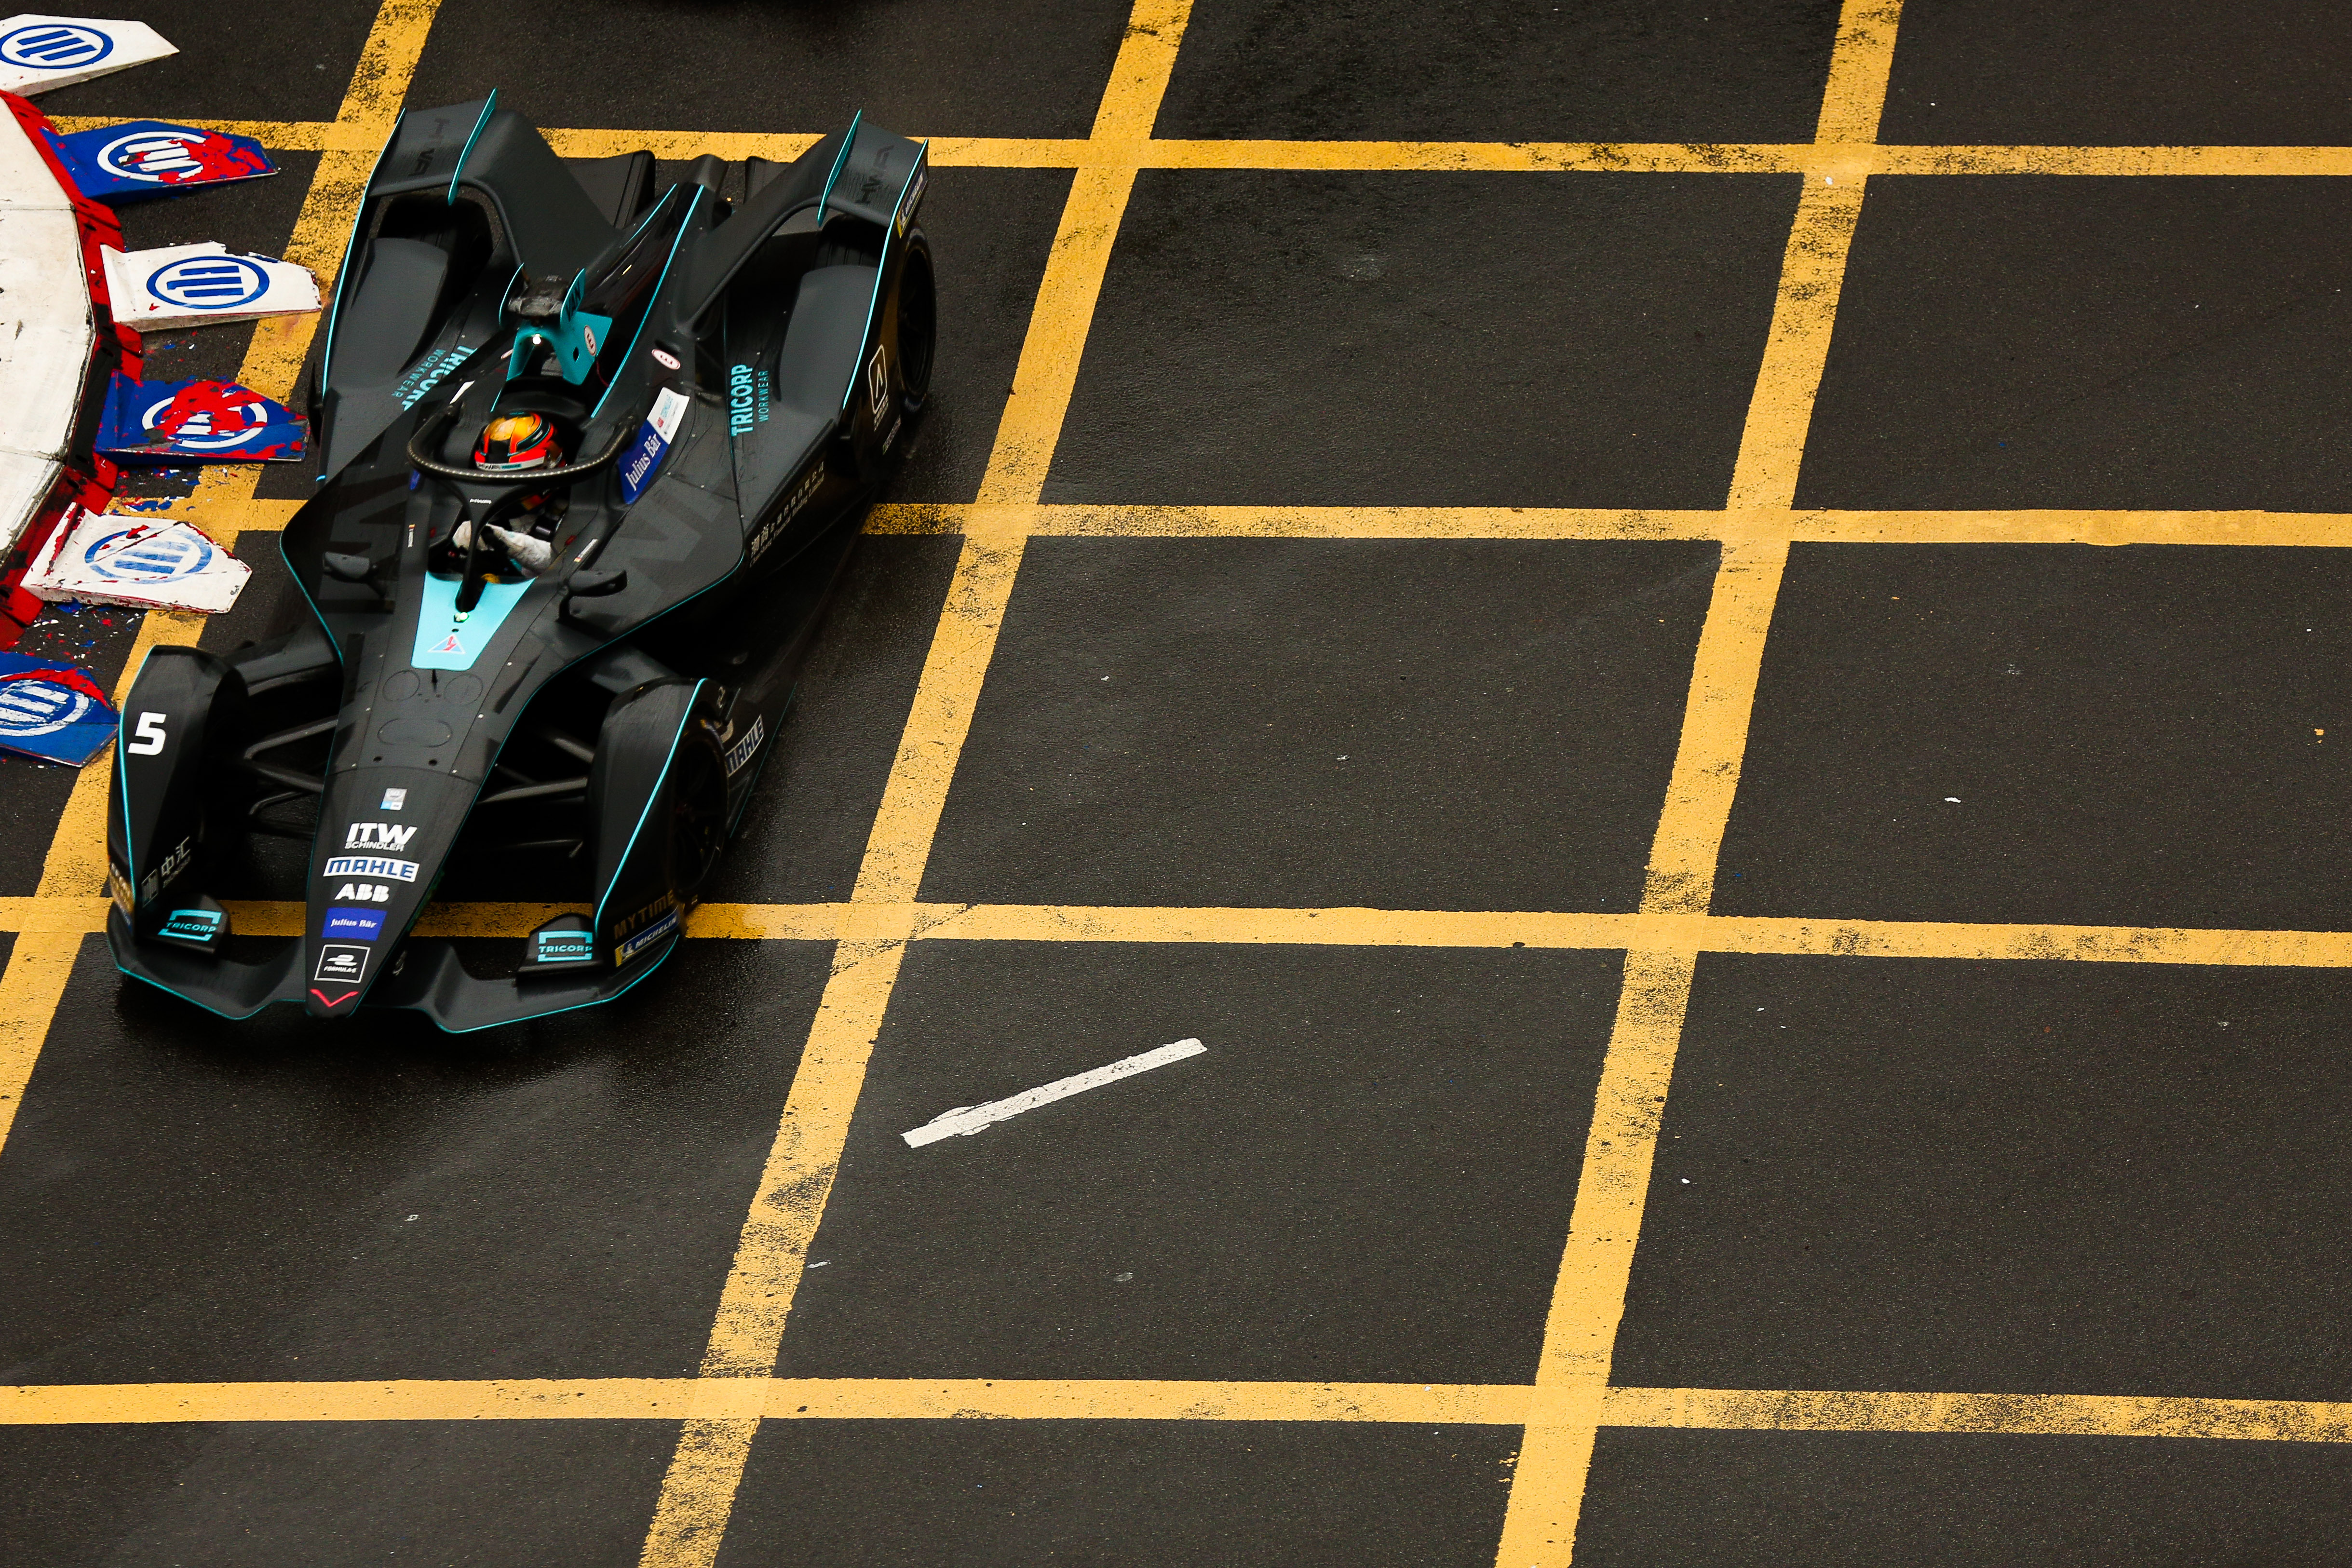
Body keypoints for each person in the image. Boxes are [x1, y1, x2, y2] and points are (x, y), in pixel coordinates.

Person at [453, 412, 562, 573]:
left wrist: (508, 542)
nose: (506, 485)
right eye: (496, 477)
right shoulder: (479, 505)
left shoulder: (577, 504)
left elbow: (564, 565)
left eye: (517, 475)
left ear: (550, 464)